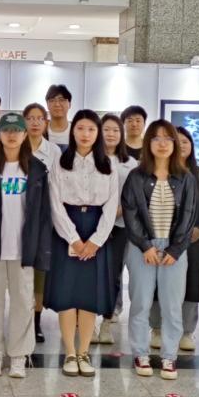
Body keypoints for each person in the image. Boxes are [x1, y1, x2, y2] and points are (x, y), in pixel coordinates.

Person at [0, 113, 52, 378]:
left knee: (23, 303)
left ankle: (18, 356)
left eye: (17, 130)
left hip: (23, 249)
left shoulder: (37, 169)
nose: (12, 135)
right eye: (7, 130)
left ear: (25, 134)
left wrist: (42, 250)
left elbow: (43, 214)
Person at [44, 110, 119, 378]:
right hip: (67, 228)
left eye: (91, 129)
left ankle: (84, 352)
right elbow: (55, 203)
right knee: (67, 295)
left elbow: (112, 205)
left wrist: (96, 241)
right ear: (72, 131)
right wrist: (74, 239)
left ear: (97, 134)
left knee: (89, 295)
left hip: (97, 229)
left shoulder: (108, 164)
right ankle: (69, 352)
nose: (85, 134)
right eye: (80, 128)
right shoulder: (60, 161)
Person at [121, 120, 198, 380]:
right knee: (140, 303)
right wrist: (145, 245)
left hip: (174, 250)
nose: (162, 143)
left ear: (174, 143)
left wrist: (176, 249)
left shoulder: (186, 178)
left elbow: (189, 216)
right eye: (156, 138)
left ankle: (169, 356)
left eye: (168, 138)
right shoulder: (136, 176)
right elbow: (130, 213)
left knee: (172, 306)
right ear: (148, 143)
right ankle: (140, 353)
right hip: (142, 248)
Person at [149, 127, 199, 352]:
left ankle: (187, 331)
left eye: (186, 141)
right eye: (177, 141)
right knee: (158, 283)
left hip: (193, 240)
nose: (181, 145)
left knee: (191, 283)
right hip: (163, 238)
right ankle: (157, 329)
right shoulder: (158, 172)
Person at [92, 114, 138, 345]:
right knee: (90, 274)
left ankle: (107, 322)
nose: (110, 134)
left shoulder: (130, 163)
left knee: (113, 274)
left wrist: (117, 212)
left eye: (115, 130)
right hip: (91, 224)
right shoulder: (90, 158)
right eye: (106, 129)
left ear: (121, 135)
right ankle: (89, 324)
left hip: (120, 225)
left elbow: (135, 195)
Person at [23, 102, 61, 343]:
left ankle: (36, 322)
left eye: (39, 118)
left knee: (39, 273)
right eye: (30, 118)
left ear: (46, 123)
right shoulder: (15, 145)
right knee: (19, 273)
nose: (35, 123)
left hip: (44, 217)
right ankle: (21, 319)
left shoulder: (53, 151)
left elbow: (58, 186)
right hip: (18, 216)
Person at [45, 85, 73, 149]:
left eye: (62, 100)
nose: (57, 104)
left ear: (69, 104)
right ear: (47, 105)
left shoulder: (76, 131)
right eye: (52, 100)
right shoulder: (41, 131)